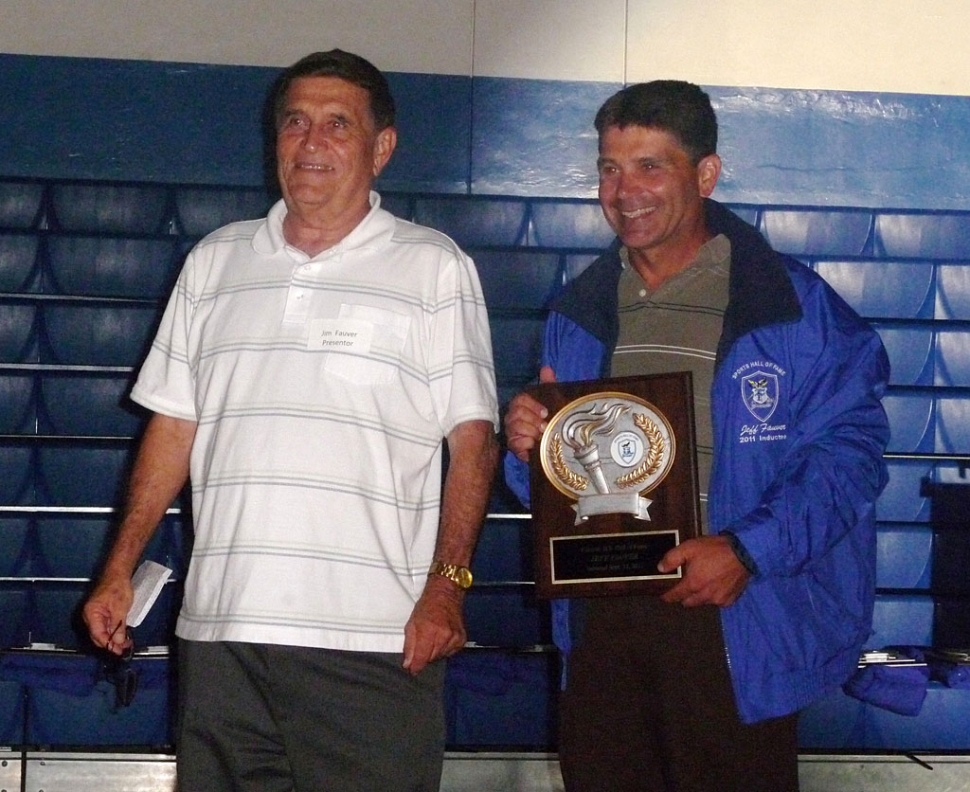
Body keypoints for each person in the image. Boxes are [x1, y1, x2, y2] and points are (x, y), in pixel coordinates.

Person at [83, 49, 499, 792]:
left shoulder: (434, 267)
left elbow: (473, 443)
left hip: (373, 640)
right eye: (295, 123)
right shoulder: (214, 263)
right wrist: (117, 571)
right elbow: (173, 431)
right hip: (222, 636)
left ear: (382, 148)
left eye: (338, 125)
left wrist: (449, 586)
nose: (311, 143)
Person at [504, 81, 890, 791]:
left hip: (736, 616)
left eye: (652, 166)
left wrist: (747, 551)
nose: (626, 191)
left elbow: (850, 461)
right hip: (606, 619)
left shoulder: (795, 308)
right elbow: (561, 483)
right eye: (610, 169)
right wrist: (529, 442)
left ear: (705, 174)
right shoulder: (581, 309)